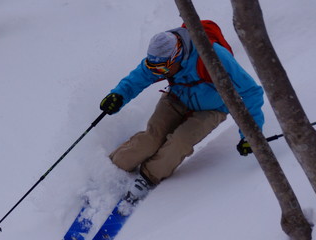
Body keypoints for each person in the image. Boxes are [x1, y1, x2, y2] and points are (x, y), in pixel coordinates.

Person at [99, 22, 264, 189]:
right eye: (152, 67)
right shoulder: (159, 60)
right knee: (151, 139)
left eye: (162, 69)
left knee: (179, 142)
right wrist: (118, 96)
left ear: (176, 56)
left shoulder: (214, 57)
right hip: (176, 98)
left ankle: (148, 177)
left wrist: (250, 135)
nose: (157, 73)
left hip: (211, 109)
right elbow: (138, 78)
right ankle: (112, 169)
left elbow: (251, 92)